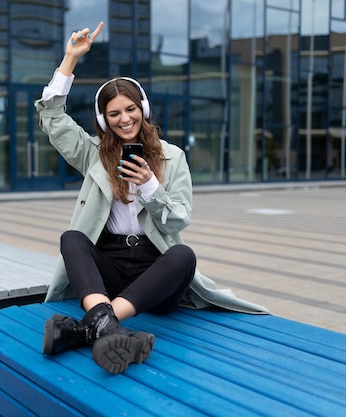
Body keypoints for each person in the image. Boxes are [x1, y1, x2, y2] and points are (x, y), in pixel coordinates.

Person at [35, 21, 269, 375]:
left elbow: (180, 220)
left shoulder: (173, 157)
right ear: (104, 119)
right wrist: (70, 59)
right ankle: (108, 328)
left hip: (155, 272)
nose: (124, 119)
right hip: (110, 265)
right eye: (114, 113)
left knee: (183, 255)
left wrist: (149, 187)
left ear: (142, 108)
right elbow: (52, 117)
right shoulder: (93, 153)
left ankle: (91, 326)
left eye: (130, 109)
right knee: (72, 239)